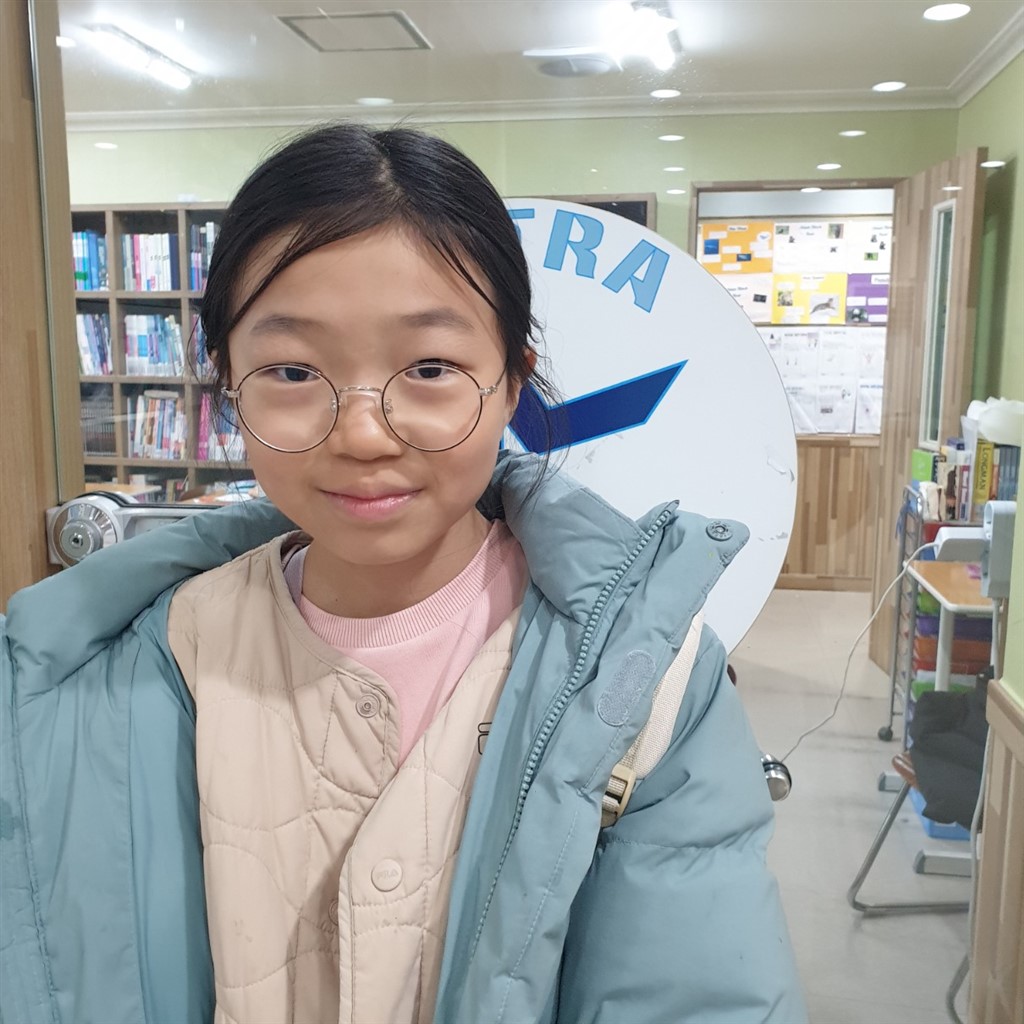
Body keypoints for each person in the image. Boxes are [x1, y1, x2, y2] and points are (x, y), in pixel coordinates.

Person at [1, 123, 806, 1024]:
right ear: (228, 383)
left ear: (511, 383)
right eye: (293, 370)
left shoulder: (649, 684)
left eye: (430, 368)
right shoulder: (110, 680)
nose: (362, 433)